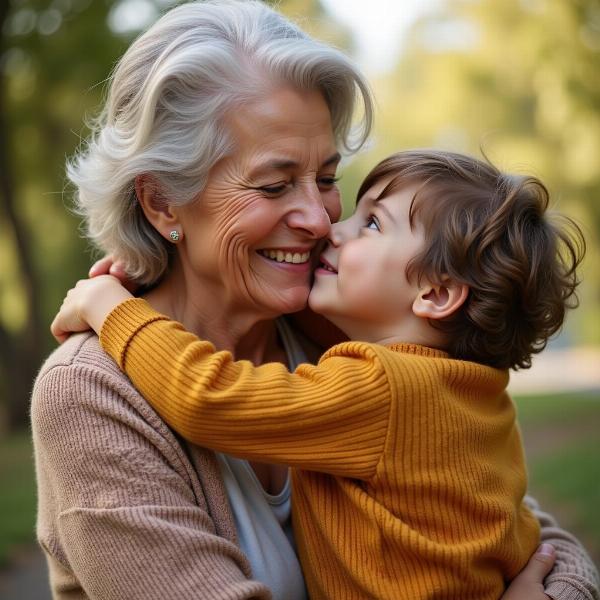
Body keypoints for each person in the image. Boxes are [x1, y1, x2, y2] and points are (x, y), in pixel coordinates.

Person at [32, 1, 599, 599]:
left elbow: (515, 531)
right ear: (163, 202)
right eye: (275, 185)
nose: (321, 219)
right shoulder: (91, 396)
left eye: (327, 180)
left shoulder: (355, 342)